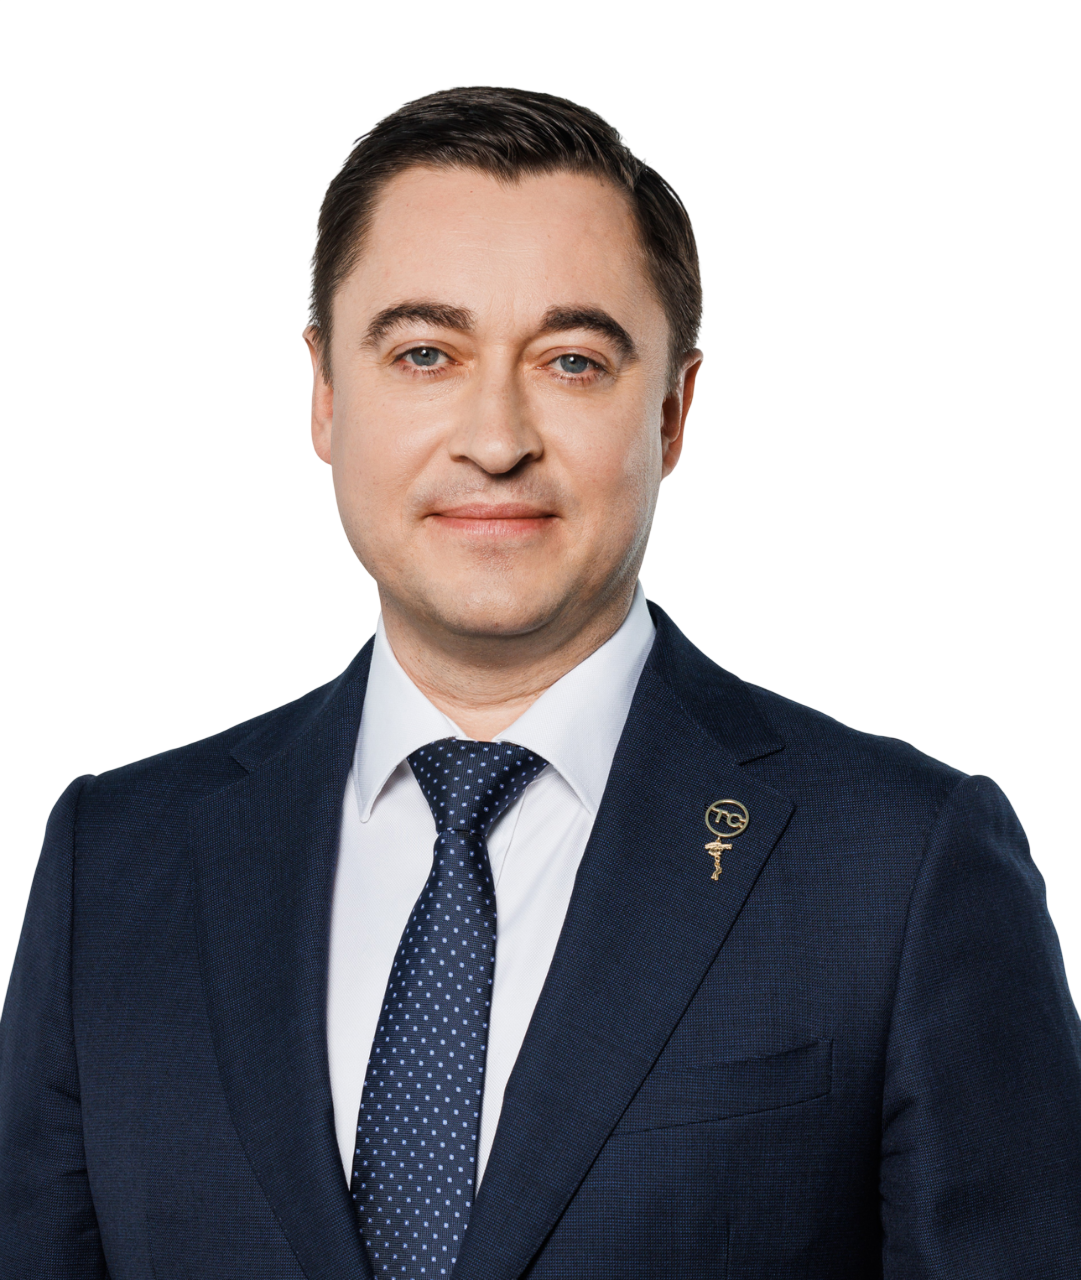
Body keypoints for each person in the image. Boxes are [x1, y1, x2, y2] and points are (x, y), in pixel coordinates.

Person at [1, 85, 1078, 1280]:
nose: (496, 437)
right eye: (425, 353)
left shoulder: (904, 861)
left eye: (572, 361)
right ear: (323, 392)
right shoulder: (114, 861)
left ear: (672, 413)